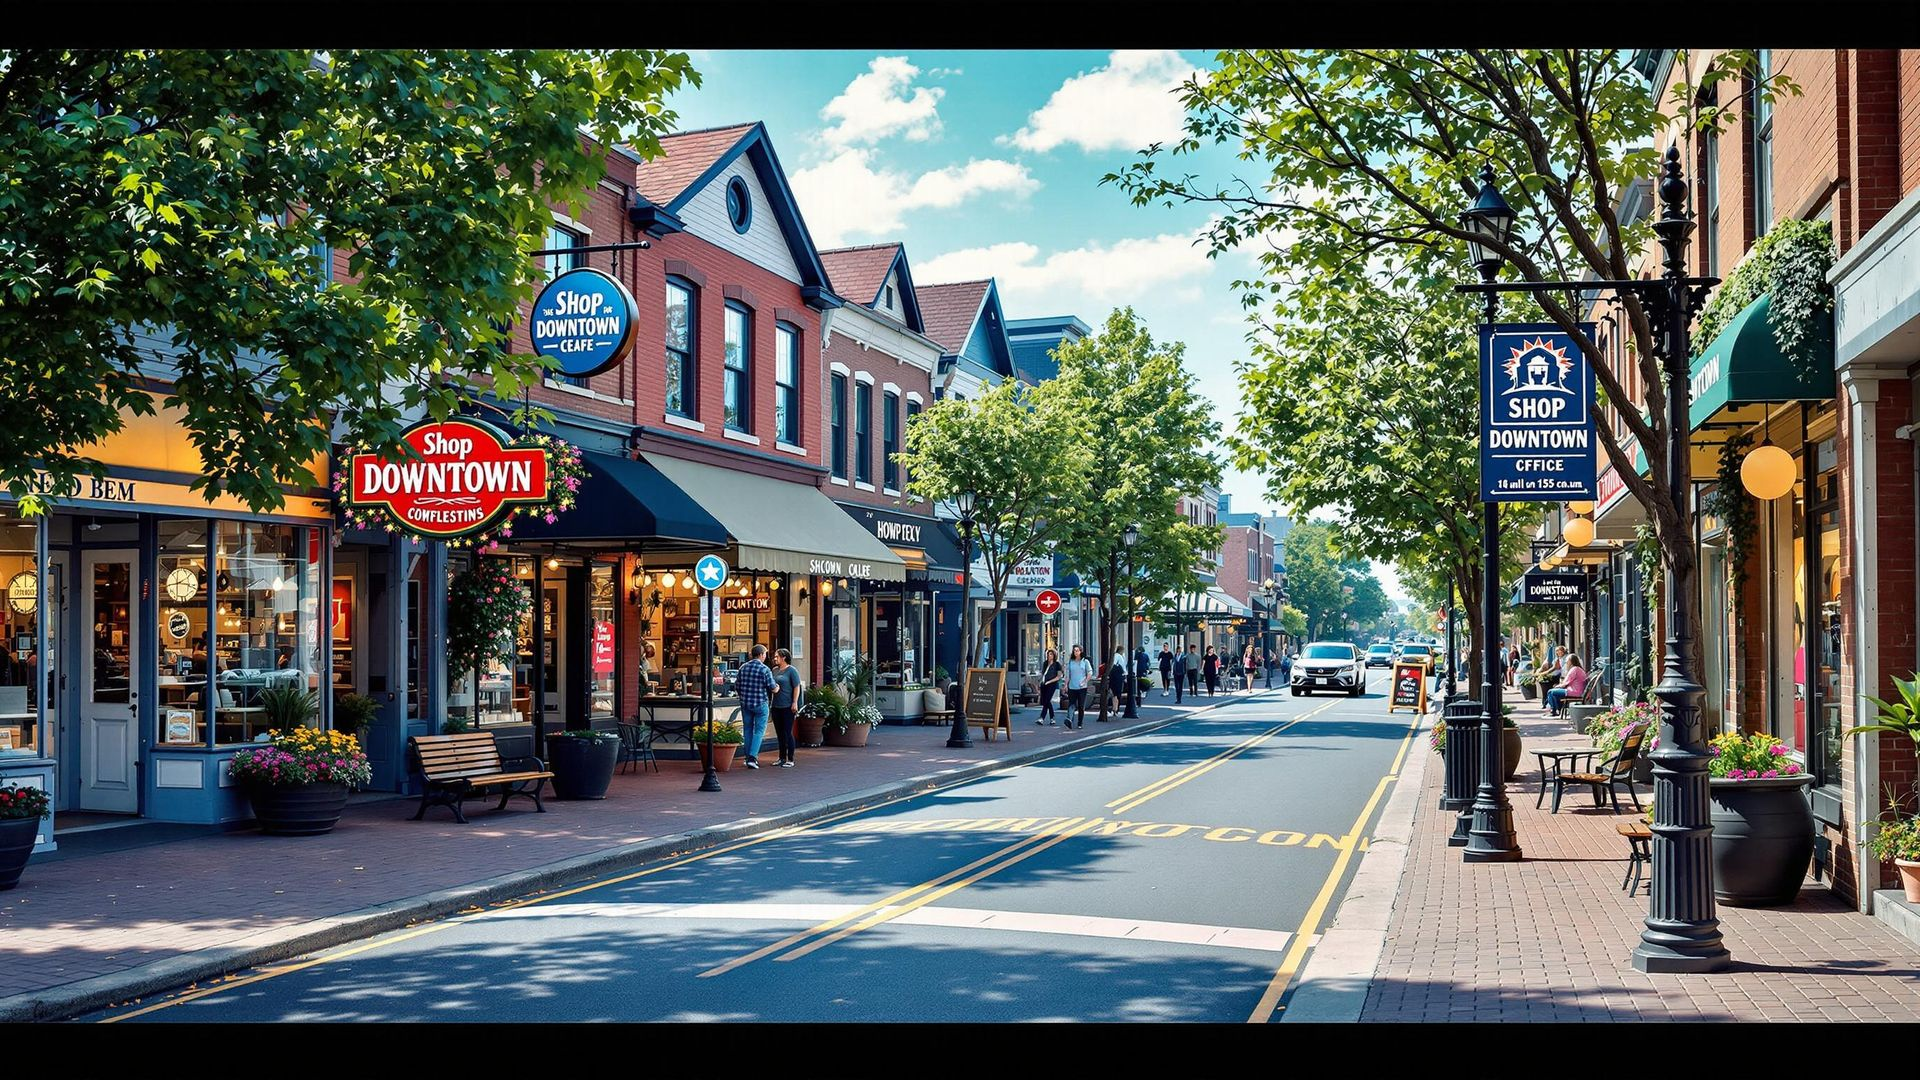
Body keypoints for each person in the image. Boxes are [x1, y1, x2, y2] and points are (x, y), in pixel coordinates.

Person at [734, 644, 775, 770]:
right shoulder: (765, 669)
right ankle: (752, 757)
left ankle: (747, 758)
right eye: (765, 654)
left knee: (747, 730)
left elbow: (737, 686)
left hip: (746, 703)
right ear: (762, 655)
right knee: (759, 731)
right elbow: (772, 687)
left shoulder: (743, 667)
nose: (765, 657)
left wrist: (743, 697)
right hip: (760, 703)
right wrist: (777, 688)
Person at [768, 648, 804, 767]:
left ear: (784, 657)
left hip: (787, 706)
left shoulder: (792, 671)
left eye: (777, 656)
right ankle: (781, 757)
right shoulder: (774, 670)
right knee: (779, 733)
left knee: (787, 732)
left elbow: (796, 687)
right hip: (776, 705)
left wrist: (794, 702)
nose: (775, 658)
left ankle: (791, 759)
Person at [1063, 645, 1092, 729]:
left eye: (1077, 650)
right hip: (1072, 686)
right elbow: (1068, 675)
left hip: (1082, 687)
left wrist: (1085, 681)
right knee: (1071, 704)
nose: (1076, 652)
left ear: (1081, 652)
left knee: (1081, 705)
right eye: (1074, 650)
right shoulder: (1071, 662)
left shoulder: (1085, 661)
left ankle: (1080, 723)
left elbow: (1090, 673)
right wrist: (1065, 685)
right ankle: (1069, 719)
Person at [1038, 648, 1062, 726]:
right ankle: (1052, 718)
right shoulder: (1045, 663)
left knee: (1047, 700)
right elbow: (1043, 673)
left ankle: (1042, 718)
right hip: (1044, 684)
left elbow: (1058, 677)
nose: (1049, 656)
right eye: (1048, 654)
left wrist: (1050, 681)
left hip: (1052, 684)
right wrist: (1041, 681)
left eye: (1051, 654)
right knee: (1045, 701)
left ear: (1054, 655)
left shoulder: (1057, 664)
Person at [1104, 650, 1127, 721]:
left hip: (1113, 678)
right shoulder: (1120, 657)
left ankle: (1112, 709)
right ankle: (1115, 709)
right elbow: (1123, 667)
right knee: (1117, 694)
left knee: (1113, 694)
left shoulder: (1112, 658)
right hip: (1118, 678)